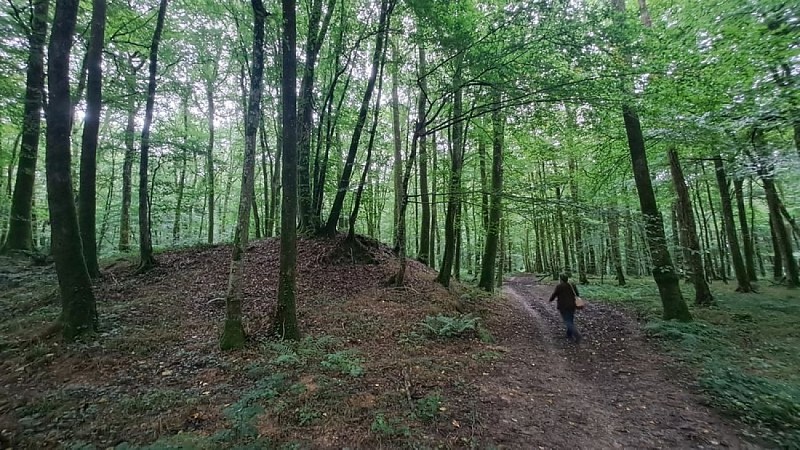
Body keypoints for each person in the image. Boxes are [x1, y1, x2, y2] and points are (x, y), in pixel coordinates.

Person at [548, 273, 582, 343]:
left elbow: (555, 294)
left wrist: (550, 300)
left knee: (567, 321)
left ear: (560, 279)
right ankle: (569, 334)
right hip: (572, 305)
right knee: (570, 319)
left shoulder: (559, 286)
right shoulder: (572, 285)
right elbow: (577, 294)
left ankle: (577, 334)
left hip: (563, 306)